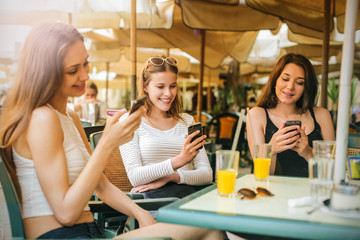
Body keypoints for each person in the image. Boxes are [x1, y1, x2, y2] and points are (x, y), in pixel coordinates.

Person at [0, 23, 224, 239]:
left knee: (212, 229)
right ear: (46, 72)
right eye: (73, 70)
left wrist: (140, 214)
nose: (85, 76)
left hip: (91, 231)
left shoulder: (70, 117)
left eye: (85, 64)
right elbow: (66, 214)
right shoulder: (42, 118)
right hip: (63, 235)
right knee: (210, 231)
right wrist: (107, 143)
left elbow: (103, 186)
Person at [119, 56, 213, 198]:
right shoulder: (130, 121)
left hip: (187, 197)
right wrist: (179, 160)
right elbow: (135, 177)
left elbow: (206, 174)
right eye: (160, 87)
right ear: (145, 87)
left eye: (172, 86)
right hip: (153, 201)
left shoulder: (187, 121)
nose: (168, 93)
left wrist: (172, 177)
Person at [246, 53, 335, 177]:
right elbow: (262, 175)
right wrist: (271, 150)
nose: (290, 87)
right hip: (275, 194)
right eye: (285, 79)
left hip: (315, 192)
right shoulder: (256, 115)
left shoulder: (322, 115)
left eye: (299, 82)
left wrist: (308, 153)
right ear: (275, 79)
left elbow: (334, 171)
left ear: (306, 87)